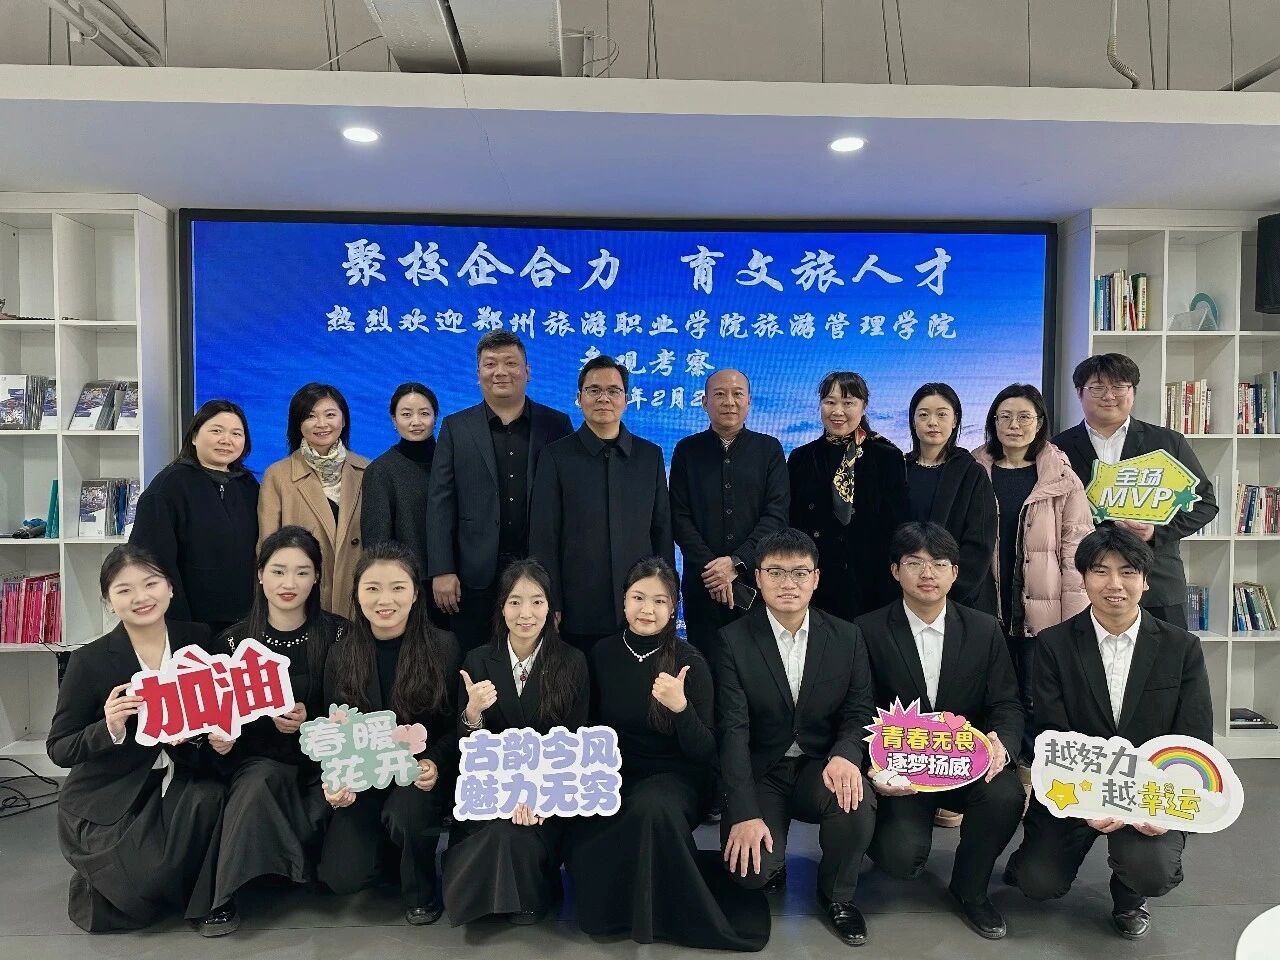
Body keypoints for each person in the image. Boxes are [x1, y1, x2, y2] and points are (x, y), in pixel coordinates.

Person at [1007, 527, 1213, 941]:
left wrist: (1164, 810)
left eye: (1128, 572)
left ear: (1146, 580)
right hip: (1076, 785)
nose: (1114, 584)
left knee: (1151, 871)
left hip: (1148, 791)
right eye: (1101, 571)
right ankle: (1036, 854)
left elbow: (1193, 741)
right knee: (1036, 883)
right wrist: (1088, 801)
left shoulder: (1181, 647)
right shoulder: (1054, 645)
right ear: (1084, 579)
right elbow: (1052, 733)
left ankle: (1130, 895)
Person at [567, 558, 770, 951]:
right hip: (616, 774)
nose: (647, 609)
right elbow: (587, 728)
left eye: (659, 601)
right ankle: (613, 911)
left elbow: (707, 751)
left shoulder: (690, 661)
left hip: (679, 777)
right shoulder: (601, 654)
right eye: (638, 598)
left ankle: (660, 916)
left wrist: (681, 710)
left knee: (651, 808)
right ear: (624, 601)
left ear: (674, 607)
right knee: (589, 817)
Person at [46, 544, 232, 935]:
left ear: (170, 588)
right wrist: (109, 727)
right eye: (124, 589)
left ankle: (206, 904)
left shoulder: (199, 639)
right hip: (113, 789)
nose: (141, 597)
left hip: (184, 775)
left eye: (151, 583)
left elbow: (222, 706)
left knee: (210, 801)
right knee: (133, 893)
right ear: (108, 601)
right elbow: (59, 747)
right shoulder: (90, 660)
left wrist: (218, 735)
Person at [856, 522, 1025, 941]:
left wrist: (1003, 743)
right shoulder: (867, 630)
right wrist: (873, 767)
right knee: (900, 859)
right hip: (903, 770)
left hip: (967, 764)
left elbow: (1006, 703)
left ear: (955, 572)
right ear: (895, 571)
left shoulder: (984, 629)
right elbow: (856, 709)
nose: (927, 573)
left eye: (939, 563)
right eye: (915, 563)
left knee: (1006, 794)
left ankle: (971, 889)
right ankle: (894, 845)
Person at [717, 528, 878, 948]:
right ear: (758, 577)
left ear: (816, 578)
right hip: (763, 771)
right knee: (751, 874)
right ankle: (773, 859)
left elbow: (859, 710)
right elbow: (733, 731)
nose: (788, 583)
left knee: (854, 795)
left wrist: (846, 754)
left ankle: (837, 895)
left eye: (799, 573)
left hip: (818, 765)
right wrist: (744, 812)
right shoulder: (733, 641)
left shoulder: (847, 637)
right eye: (775, 572)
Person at [208, 526, 351, 920]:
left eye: (302, 572)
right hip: (261, 760)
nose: (290, 583)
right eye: (278, 571)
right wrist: (228, 733)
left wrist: (312, 718)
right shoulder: (232, 642)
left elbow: (357, 704)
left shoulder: (340, 633)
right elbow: (220, 717)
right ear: (260, 575)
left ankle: (301, 872)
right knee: (258, 784)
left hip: (324, 758)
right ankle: (225, 895)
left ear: (317, 577)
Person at [316, 543, 460, 925]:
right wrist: (335, 778)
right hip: (365, 780)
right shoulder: (341, 654)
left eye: (398, 588)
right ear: (357, 594)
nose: (385, 600)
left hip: (417, 775)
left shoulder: (443, 647)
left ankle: (421, 890)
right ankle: (389, 854)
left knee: (407, 812)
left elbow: (453, 729)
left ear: (415, 594)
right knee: (341, 877)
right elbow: (332, 733)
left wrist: (435, 763)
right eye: (372, 588)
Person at [441, 559, 589, 926]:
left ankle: (526, 892)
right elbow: (467, 749)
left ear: (550, 607)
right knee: (496, 829)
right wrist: (473, 712)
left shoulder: (572, 662)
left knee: (517, 834)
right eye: (515, 602)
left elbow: (574, 744)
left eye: (537, 602)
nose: (526, 613)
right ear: (501, 607)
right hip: (493, 791)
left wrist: (542, 796)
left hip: (546, 796)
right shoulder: (478, 660)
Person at [427, 331, 573, 652]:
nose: (500, 372)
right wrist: (442, 568)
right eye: (490, 364)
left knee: (537, 658)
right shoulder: (456, 427)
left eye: (510, 363)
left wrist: (560, 585)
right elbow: (440, 502)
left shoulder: (556, 425)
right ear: (478, 372)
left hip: (538, 567)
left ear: (527, 371)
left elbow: (569, 505)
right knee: (473, 656)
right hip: (473, 572)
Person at [972, 384, 1092, 766]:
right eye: (1005, 416)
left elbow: (1076, 551)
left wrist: (1074, 618)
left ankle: (1033, 771)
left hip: (1044, 603)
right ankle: (991, 768)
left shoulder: (1061, 476)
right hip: (986, 602)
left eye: (1024, 416)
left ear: (1039, 422)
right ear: (993, 421)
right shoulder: (973, 469)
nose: (1014, 425)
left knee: (1037, 693)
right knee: (988, 691)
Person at [1052, 353, 1218, 627]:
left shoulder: (1166, 442)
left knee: (1169, 653)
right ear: (1079, 393)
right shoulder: (1057, 448)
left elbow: (1204, 504)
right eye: (1097, 387)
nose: (1109, 396)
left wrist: (1155, 532)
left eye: (1119, 386)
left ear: (1133, 392)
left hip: (1156, 581)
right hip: (1084, 582)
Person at [530, 355, 674, 651]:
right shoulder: (556, 456)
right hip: (577, 608)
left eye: (613, 390)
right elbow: (544, 535)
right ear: (579, 398)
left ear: (626, 399)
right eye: (594, 390)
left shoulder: (650, 456)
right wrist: (549, 598)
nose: (603, 398)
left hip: (640, 607)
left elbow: (661, 530)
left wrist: (667, 594)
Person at [669, 369, 789, 666]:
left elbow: (776, 514)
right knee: (704, 668)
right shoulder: (687, 450)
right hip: (703, 584)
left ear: (749, 401)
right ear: (704, 402)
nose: (729, 402)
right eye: (719, 394)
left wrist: (736, 562)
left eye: (737, 394)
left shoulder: (769, 449)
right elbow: (679, 517)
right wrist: (715, 571)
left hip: (756, 584)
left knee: (757, 669)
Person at [129, 399, 258, 637]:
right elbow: (150, 560)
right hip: (189, 622)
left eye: (236, 433)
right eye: (216, 431)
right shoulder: (169, 486)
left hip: (245, 621)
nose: (226, 440)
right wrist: (179, 622)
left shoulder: (248, 485)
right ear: (195, 436)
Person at [787, 371, 908, 623]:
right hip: (816, 581)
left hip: (872, 581)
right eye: (830, 402)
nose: (837, 411)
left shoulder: (887, 456)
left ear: (864, 406)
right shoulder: (801, 458)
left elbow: (898, 525)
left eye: (848, 402)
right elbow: (792, 522)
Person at [259, 383, 369, 619]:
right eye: (310, 416)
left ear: (343, 420)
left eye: (330, 414)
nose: (322, 424)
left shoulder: (367, 471)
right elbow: (267, 548)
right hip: (301, 596)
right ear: (297, 424)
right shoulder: (277, 475)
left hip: (358, 597)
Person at [904, 383, 997, 615]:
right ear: (913, 421)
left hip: (958, 600)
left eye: (942, 414)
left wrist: (942, 592)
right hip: (902, 596)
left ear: (955, 420)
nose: (932, 422)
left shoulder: (972, 473)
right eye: (923, 415)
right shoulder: (897, 470)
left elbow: (979, 543)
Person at [362, 382, 443, 623]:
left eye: (424, 413)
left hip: (456, 582)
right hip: (409, 587)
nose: (416, 422)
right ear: (393, 420)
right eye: (406, 414)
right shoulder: (381, 470)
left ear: (435, 417)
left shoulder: (452, 462)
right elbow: (377, 542)